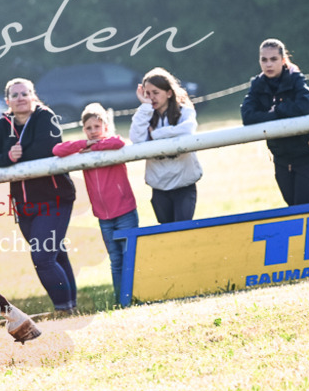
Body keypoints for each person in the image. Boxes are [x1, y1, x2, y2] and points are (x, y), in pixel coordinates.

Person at [0, 78, 78, 316]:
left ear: (34, 96)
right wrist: (7, 156)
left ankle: (63, 309)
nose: (20, 98)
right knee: (56, 254)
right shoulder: (1, 124)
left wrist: (14, 157)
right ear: (7, 101)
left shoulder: (47, 117)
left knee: (43, 257)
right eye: (15, 95)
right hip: (24, 206)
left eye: (25, 93)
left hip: (55, 199)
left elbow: (47, 149)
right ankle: (71, 306)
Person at [53, 103, 138, 301]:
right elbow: (58, 149)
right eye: (88, 128)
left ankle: (135, 294)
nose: (93, 132)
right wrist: (85, 145)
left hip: (124, 210)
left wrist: (95, 146)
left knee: (129, 257)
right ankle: (122, 300)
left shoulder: (110, 144)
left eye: (97, 127)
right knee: (115, 260)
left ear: (105, 127)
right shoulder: (84, 149)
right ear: (84, 129)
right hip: (103, 215)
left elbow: (118, 142)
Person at [240, 39, 309, 206]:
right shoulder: (257, 84)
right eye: (264, 60)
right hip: (280, 159)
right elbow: (248, 116)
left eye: (273, 59)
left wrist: (277, 111)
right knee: (291, 207)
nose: (268, 64)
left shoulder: (296, 80)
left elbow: (306, 106)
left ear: (283, 60)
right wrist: (280, 115)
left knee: (302, 208)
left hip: (305, 157)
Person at [129, 67, 201, 223]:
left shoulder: (185, 112)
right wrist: (145, 107)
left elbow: (187, 130)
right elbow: (136, 139)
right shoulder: (145, 114)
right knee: (166, 233)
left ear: (169, 93)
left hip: (184, 184)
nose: (151, 97)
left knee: (182, 230)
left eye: (156, 93)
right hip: (159, 187)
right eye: (147, 93)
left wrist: (156, 134)